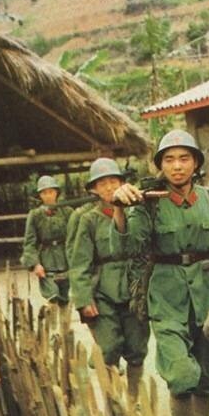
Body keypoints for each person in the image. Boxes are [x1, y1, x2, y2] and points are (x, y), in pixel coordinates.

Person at [111, 130, 209, 416]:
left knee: (204, 379)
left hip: (208, 295)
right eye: (169, 159)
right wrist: (121, 209)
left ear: (196, 163)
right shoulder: (148, 201)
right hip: (166, 296)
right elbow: (128, 246)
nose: (177, 166)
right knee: (181, 376)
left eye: (184, 158)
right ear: (160, 165)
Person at [69, 157, 149, 400]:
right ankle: (113, 402)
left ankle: (133, 400)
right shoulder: (89, 220)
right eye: (102, 183)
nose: (109, 187)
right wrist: (84, 299)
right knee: (108, 348)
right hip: (103, 293)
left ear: (122, 183)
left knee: (137, 348)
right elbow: (79, 262)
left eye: (113, 181)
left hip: (134, 289)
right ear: (94, 189)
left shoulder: (136, 213)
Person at [21, 175, 73, 305]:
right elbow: (29, 242)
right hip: (46, 261)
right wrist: (35, 264)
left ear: (56, 193)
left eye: (51, 192)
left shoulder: (67, 212)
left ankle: (64, 317)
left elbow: (76, 236)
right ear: (40, 195)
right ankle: (52, 315)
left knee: (65, 298)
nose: (48, 195)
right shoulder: (35, 215)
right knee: (52, 296)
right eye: (44, 193)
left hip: (66, 258)